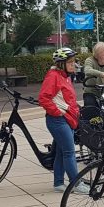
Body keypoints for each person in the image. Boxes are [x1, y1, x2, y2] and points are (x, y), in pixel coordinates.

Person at [38, 47, 88, 193]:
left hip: (67, 118)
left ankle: (59, 183)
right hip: (58, 120)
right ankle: (76, 184)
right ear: (61, 64)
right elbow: (43, 98)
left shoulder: (64, 76)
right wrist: (57, 112)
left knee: (61, 152)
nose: (73, 65)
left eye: (74, 61)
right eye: (70, 62)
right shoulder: (53, 76)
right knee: (69, 152)